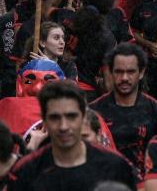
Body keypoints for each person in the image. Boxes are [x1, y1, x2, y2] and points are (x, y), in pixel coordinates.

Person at [7, 81, 140, 191]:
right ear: (44, 121)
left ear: (83, 117)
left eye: (71, 116)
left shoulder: (115, 167)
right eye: (55, 118)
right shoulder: (26, 170)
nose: (63, 126)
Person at [90, 43, 157, 172]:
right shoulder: (93, 111)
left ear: (141, 73)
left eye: (130, 72)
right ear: (111, 72)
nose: (124, 78)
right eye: (119, 71)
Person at [73, 0, 118, 101]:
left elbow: (46, 9)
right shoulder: (107, 37)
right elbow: (108, 84)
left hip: (58, 89)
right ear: (109, 4)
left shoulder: (67, 20)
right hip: (86, 96)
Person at [0, 0, 35, 100]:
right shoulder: (37, 19)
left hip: (8, 75)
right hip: (32, 76)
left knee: (8, 109)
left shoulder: (4, 19)